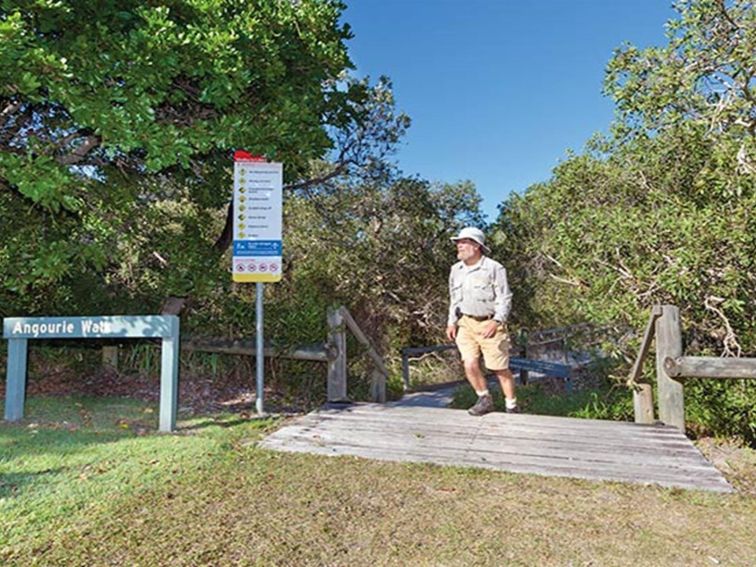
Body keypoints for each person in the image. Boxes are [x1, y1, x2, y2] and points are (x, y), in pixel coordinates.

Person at [446, 227, 518, 416]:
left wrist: (496, 321)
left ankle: (512, 406)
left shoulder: (494, 268)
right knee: (469, 363)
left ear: (476, 246)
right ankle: (484, 399)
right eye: (458, 242)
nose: (458, 246)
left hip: (489, 323)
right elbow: (454, 298)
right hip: (466, 323)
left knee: (499, 368)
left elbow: (505, 298)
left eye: (463, 242)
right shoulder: (456, 269)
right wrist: (451, 321)